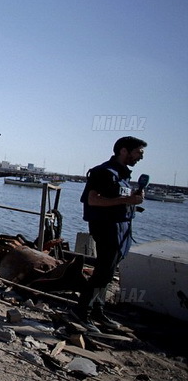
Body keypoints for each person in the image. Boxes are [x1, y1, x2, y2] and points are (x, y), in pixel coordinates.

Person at [72, 136, 147, 333]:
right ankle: (81, 312)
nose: (141, 156)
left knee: (108, 271)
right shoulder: (103, 172)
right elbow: (93, 200)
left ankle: (98, 310)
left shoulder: (122, 175)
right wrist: (127, 200)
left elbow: (120, 198)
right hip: (106, 227)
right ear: (124, 150)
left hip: (121, 229)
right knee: (103, 271)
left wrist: (132, 199)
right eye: (138, 152)